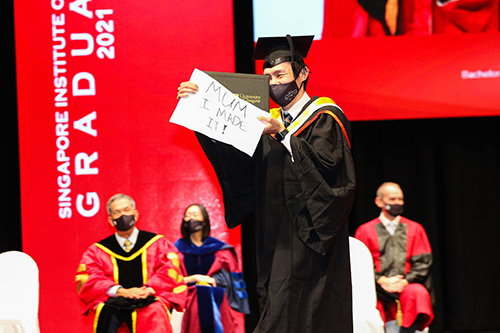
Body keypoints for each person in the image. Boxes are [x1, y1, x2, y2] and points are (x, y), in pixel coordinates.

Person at [177, 35, 356, 332]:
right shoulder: (262, 120)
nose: (274, 83)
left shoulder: (325, 116)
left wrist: (284, 134)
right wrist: (199, 109)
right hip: (273, 234)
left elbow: (329, 172)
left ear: (302, 74)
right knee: (276, 304)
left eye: (281, 75)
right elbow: (235, 159)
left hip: (311, 235)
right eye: (268, 77)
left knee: (292, 313)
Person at [75, 193, 188, 333]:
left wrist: (147, 289)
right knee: (105, 310)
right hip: (114, 301)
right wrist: (120, 291)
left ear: (136, 214)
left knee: (154, 310)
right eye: (117, 212)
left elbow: (170, 270)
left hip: (149, 298)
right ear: (111, 220)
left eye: (127, 210)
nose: (123, 215)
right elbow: (88, 278)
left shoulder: (158, 243)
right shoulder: (97, 251)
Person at [354, 182, 434, 333]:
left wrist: (404, 281)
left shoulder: (415, 229)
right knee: (364, 304)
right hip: (375, 286)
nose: (397, 203)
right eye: (392, 199)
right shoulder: (365, 230)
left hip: (406, 284)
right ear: (379, 201)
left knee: (418, 293)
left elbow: (423, 263)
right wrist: (381, 280)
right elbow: (361, 264)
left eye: (400, 199)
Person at [174, 203, 250, 333]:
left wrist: (211, 280)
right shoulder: (176, 250)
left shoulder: (219, 249)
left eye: (195, 215)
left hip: (215, 297)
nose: (191, 218)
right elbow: (171, 279)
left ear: (204, 220)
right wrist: (195, 278)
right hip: (186, 297)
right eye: (188, 215)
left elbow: (231, 280)